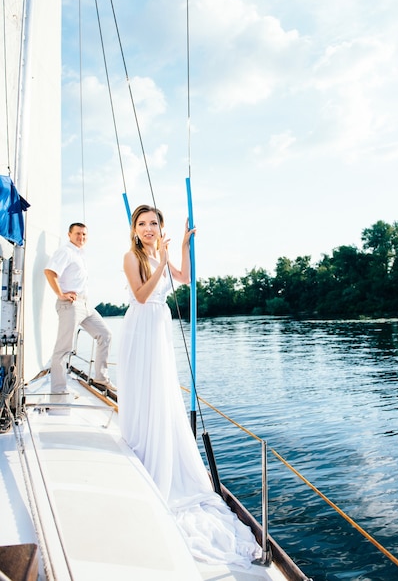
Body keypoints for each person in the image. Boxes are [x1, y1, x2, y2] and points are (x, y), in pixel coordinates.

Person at [117, 205, 261, 567]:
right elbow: (140, 295)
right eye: (142, 224)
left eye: (154, 224)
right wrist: (162, 261)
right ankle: (142, 447)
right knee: (144, 389)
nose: (148, 229)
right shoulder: (132, 257)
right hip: (140, 326)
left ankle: (161, 444)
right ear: (134, 229)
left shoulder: (159, 252)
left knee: (163, 391)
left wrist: (180, 246)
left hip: (159, 327)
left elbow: (184, 278)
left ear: (160, 227)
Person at [44, 222, 115, 394]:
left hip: (85, 304)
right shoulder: (65, 251)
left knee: (105, 335)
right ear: (69, 234)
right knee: (64, 348)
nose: (81, 237)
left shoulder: (80, 254)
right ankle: (59, 390)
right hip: (71, 305)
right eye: (77, 234)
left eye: (84, 234)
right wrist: (61, 294)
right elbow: (49, 271)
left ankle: (101, 378)